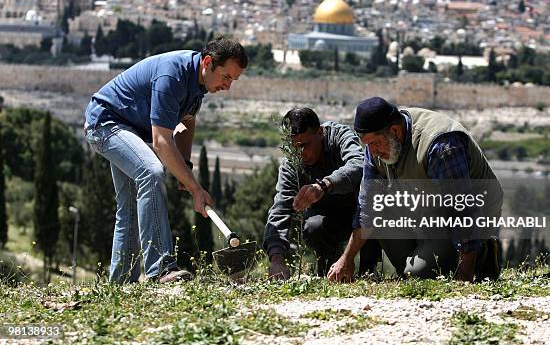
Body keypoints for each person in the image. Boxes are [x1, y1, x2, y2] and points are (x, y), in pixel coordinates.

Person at [84, 38, 248, 283]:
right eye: (226, 77)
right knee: (151, 172)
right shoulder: (173, 76)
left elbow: (187, 122)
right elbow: (161, 141)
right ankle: (161, 269)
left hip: (127, 129)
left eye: (233, 80)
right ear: (207, 63)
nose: (228, 86)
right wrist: (195, 188)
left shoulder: (197, 84)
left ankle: (120, 285)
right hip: (106, 124)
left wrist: (184, 166)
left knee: (128, 209)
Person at [328, 97, 503, 283]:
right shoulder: (376, 148)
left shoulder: (441, 145)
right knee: (405, 262)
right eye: (367, 145)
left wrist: (465, 273)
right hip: (426, 213)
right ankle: (424, 261)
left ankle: (483, 251)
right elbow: (367, 207)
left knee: (418, 274)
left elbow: (461, 208)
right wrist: (346, 259)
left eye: (375, 143)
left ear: (395, 131)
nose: (373, 151)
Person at [264, 107, 380, 279]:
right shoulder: (292, 165)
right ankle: (330, 271)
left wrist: (324, 185)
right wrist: (277, 260)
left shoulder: (339, 136)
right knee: (313, 227)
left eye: (305, 145)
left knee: (373, 205)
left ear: (320, 132)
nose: (301, 153)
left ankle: (369, 271)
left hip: (361, 213)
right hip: (328, 221)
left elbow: (358, 164)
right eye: (294, 147)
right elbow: (280, 209)